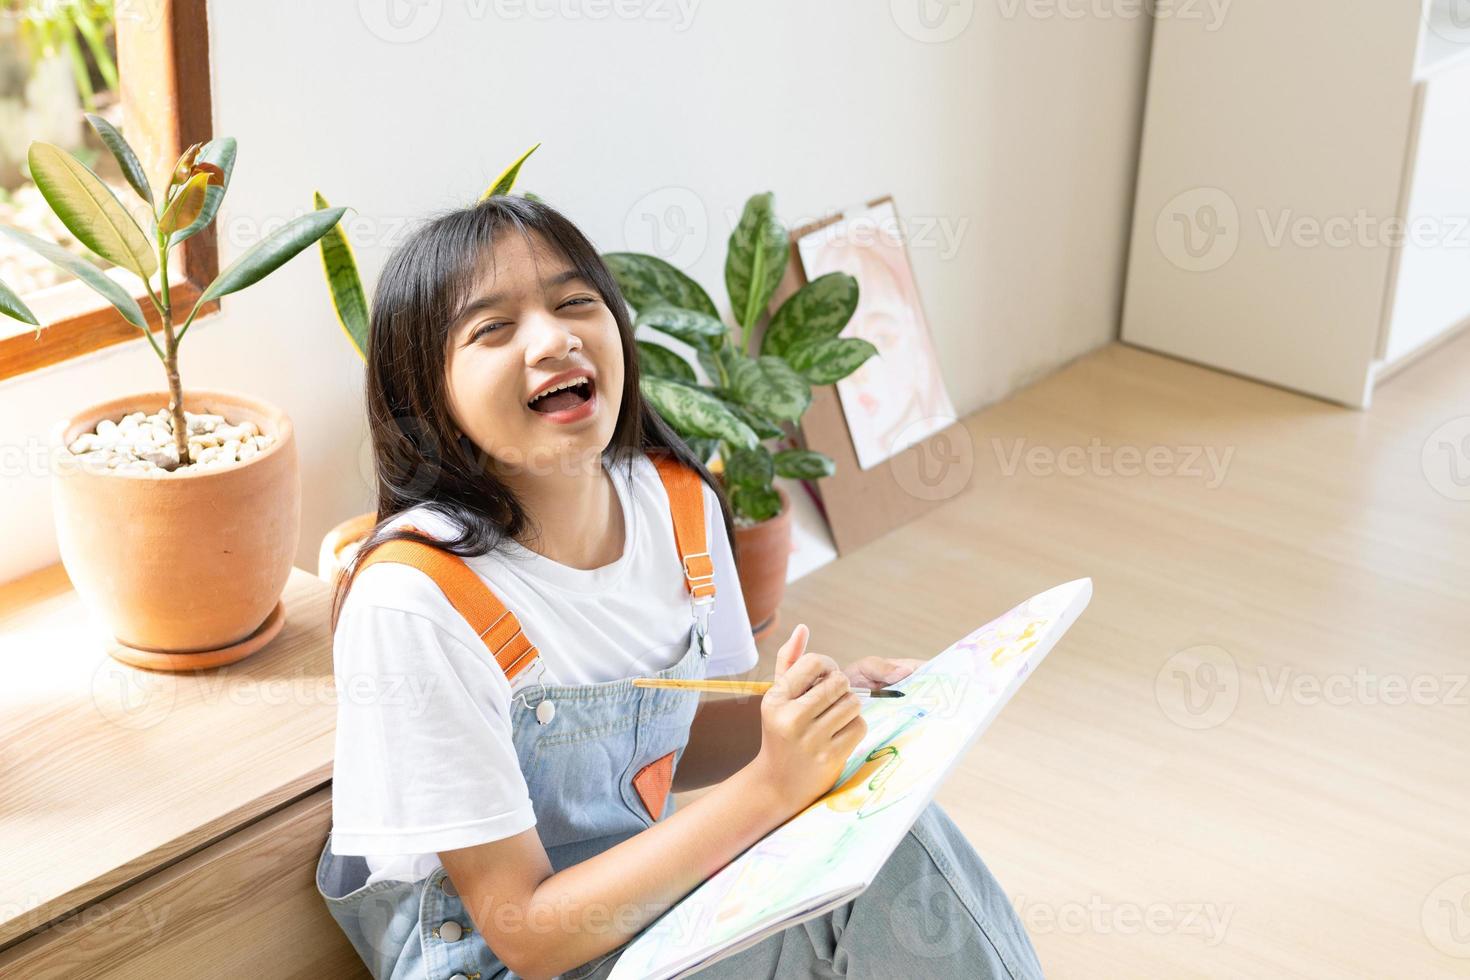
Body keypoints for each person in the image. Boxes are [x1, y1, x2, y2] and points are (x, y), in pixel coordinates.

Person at [314, 193, 1044, 980]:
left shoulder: (678, 505)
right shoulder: (414, 601)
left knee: (889, 826)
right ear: (428, 397)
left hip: (635, 918)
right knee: (891, 871)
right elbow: (523, 931)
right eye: (494, 328)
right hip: (506, 958)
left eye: (574, 303)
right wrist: (771, 786)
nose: (555, 337)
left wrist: (815, 719)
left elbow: (655, 741)